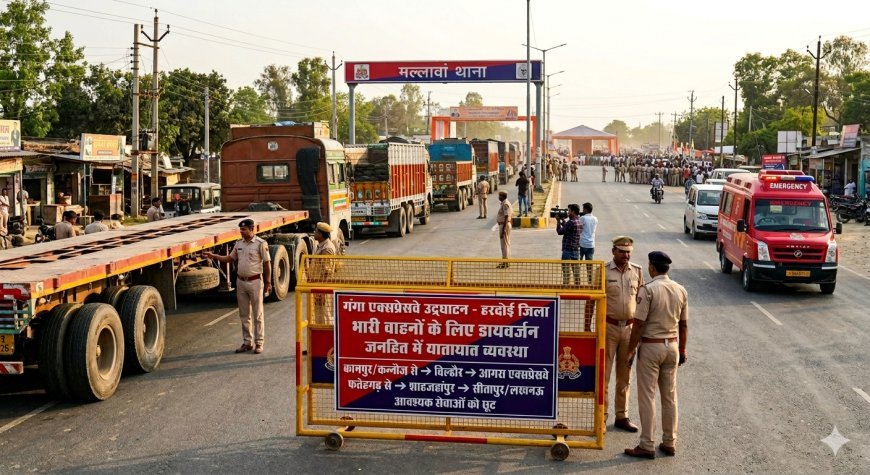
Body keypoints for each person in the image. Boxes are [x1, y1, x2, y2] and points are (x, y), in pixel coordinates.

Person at [624, 251, 688, 459]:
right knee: (670, 396)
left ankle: (647, 444)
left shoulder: (648, 290)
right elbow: (684, 324)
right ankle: (669, 442)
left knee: (647, 396)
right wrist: (683, 350)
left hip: (652, 347)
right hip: (673, 347)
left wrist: (631, 350)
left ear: (652, 267)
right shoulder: (680, 289)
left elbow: (639, 323)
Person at [204, 218, 272, 354]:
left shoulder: (260, 244)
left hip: (255, 282)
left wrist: (268, 282)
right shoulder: (238, 243)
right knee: (244, 314)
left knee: (257, 314)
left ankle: (259, 343)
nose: (241, 232)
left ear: (252, 229)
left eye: (244, 229)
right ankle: (247, 342)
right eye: (240, 229)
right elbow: (230, 259)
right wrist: (214, 256)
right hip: (241, 282)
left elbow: (267, 263)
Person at [604, 236, 644, 433]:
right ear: (613, 251)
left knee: (624, 376)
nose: (626, 255)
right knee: (603, 375)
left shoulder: (637, 271)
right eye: (622, 251)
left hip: (629, 330)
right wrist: (589, 329)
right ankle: (601, 418)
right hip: (608, 329)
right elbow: (590, 303)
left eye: (629, 252)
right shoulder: (603, 271)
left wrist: (640, 333)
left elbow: (642, 303)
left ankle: (622, 416)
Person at [311, 222, 337, 324]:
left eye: (316, 231)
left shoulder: (327, 248)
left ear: (321, 234)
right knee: (319, 313)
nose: (314, 233)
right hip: (318, 285)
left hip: (323, 286)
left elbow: (327, 271)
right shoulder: (322, 246)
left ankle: (325, 335)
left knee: (324, 313)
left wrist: (322, 290)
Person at [556, 204, 582, 284]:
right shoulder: (579, 221)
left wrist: (558, 222)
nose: (568, 213)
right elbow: (568, 228)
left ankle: (566, 290)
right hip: (576, 250)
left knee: (566, 273)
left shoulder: (571, 222)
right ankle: (578, 290)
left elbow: (560, 231)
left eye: (569, 211)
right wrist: (563, 221)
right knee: (576, 273)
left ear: (573, 211)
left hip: (568, 250)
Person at [495, 190, 512, 268]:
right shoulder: (504, 203)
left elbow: (506, 217)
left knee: (504, 245)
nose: (498, 197)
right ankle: (505, 261)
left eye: (499, 196)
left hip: (504, 225)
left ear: (502, 196)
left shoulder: (505, 204)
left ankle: (506, 262)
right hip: (504, 225)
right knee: (505, 244)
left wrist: (504, 230)